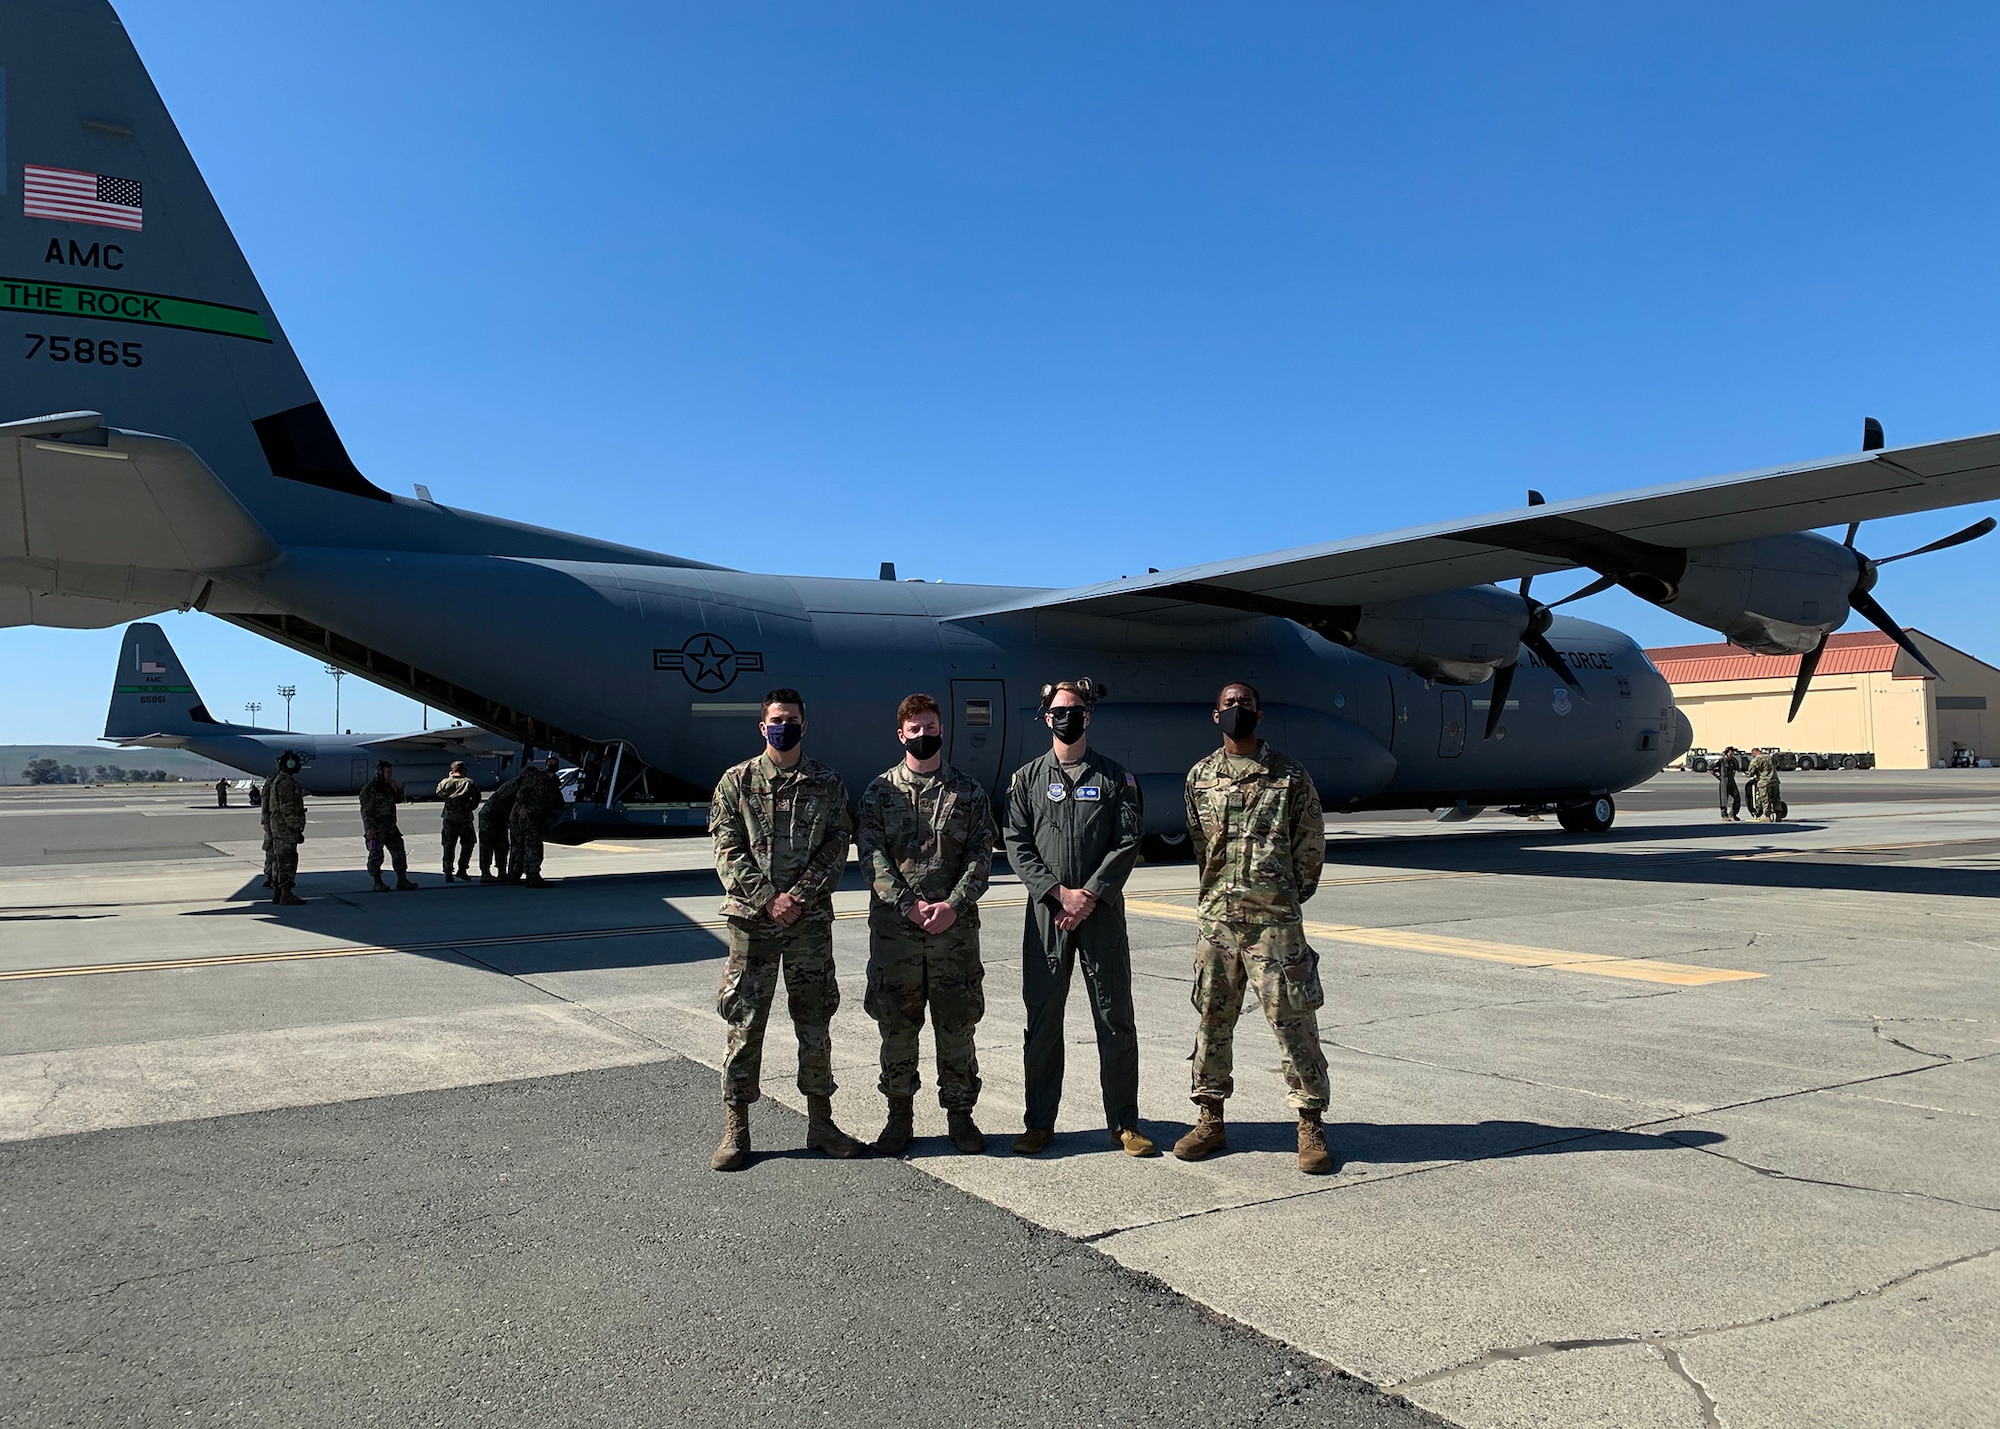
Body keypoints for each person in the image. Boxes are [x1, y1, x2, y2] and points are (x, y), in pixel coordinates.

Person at [1172, 682, 1332, 1175]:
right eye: (1228, 705)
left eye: (1245, 704)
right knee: (1212, 1022)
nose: (1236, 711)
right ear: (1214, 715)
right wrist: (1222, 893)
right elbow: (1201, 843)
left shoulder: (1288, 775)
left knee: (1293, 1022)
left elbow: (1310, 841)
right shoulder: (1200, 776)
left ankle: (1309, 1122)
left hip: (1274, 924)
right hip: (1218, 922)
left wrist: (1285, 894)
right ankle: (1210, 1118)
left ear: (1258, 715)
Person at [708, 688, 863, 1170]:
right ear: (763, 726)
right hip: (753, 925)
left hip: (808, 923)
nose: (784, 726)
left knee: (814, 1022)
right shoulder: (736, 782)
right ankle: (737, 1128)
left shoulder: (827, 782)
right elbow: (726, 849)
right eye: (777, 719)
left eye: (792, 719)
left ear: (804, 725)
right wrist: (769, 899)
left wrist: (799, 896)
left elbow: (838, 845)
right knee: (745, 1023)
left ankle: (821, 1122)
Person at [1001, 678, 1152, 1157]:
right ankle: (1039, 1122)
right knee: (1043, 1019)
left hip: (1100, 915)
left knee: (1114, 1017)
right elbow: (1016, 842)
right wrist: (1055, 893)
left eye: (1076, 709)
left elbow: (1128, 842)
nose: (1067, 717)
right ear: (1046, 717)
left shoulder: (1115, 778)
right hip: (1048, 916)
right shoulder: (1026, 779)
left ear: (1088, 716)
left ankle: (1124, 1123)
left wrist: (1089, 895)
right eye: (1059, 710)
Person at [856, 692, 998, 1156]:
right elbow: (872, 857)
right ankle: (899, 1119)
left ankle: (961, 1118)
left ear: (942, 730)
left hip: (953, 935)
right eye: (914, 729)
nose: (923, 735)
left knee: (957, 1026)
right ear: (901, 735)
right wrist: (908, 906)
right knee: (897, 1027)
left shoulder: (968, 791)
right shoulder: (879, 792)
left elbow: (981, 855)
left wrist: (954, 904)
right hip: (897, 935)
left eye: (930, 727)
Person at [359, 759, 418, 891]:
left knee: (399, 852)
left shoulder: (387, 787)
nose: (389, 774)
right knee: (376, 855)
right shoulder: (369, 789)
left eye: (390, 772)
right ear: (380, 772)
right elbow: (366, 810)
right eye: (387, 772)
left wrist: (395, 789)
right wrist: (370, 828)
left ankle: (402, 880)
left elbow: (398, 800)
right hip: (377, 829)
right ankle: (377, 882)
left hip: (391, 827)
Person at [510, 754, 565, 887]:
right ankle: (532, 876)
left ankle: (519, 875)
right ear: (545, 765)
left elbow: (557, 798)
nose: (552, 766)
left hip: (539, 816)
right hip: (528, 815)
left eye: (554, 763)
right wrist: (522, 807)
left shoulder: (554, 781)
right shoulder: (536, 777)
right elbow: (521, 792)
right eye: (550, 763)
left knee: (526, 846)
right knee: (533, 846)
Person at [266, 750, 309, 905]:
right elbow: (288, 809)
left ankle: (278, 893)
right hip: (286, 829)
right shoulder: (286, 783)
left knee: (279, 860)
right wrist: (296, 828)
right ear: (290, 764)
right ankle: (286, 893)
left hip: (279, 827)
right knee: (287, 860)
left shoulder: (278, 781)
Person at [435, 760, 481, 882]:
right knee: (468, 844)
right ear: (463, 770)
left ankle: (448, 871)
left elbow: (439, 792)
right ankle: (462, 868)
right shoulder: (469, 783)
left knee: (448, 845)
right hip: (465, 819)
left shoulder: (445, 782)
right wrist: (469, 807)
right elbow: (477, 798)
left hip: (449, 818)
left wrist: (449, 779)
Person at [478, 774, 519, 884]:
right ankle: (485, 873)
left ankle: (502, 872)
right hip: (490, 817)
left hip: (501, 818)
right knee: (487, 845)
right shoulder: (514, 785)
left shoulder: (519, 784)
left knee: (502, 845)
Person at [1747, 750, 1783, 822]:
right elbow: (1777, 765)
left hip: (1764, 782)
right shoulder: (1770, 757)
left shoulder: (1756, 759)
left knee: (1765, 799)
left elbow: (1751, 772)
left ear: (1754, 753)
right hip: (1774, 781)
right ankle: (1779, 815)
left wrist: (1749, 774)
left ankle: (1767, 816)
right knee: (1776, 799)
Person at [1713, 746, 1742, 821]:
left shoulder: (1733, 761)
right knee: (1724, 799)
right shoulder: (1721, 761)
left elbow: (1736, 769)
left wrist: (1732, 776)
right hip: (1724, 781)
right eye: (1731, 752)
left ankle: (1733, 814)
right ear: (1727, 752)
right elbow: (1711, 768)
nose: (1732, 753)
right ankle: (1724, 815)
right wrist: (1718, 777)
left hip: (1732, 781)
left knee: (1737, 797)